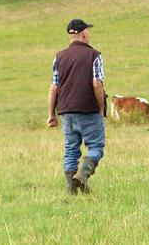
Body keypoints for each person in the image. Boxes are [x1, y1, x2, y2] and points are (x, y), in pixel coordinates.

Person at [47, 19, 106, 195]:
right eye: (88, 31)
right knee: (96, 147)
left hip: (66, 111)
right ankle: (83, 174)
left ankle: (71, 191)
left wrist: (51, 114)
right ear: (85, 33)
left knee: (71, 150)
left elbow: (54, 87)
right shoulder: (94, 55)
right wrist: (100, 107)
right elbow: (97, 84)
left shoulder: (58, 57)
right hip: (88, 110)